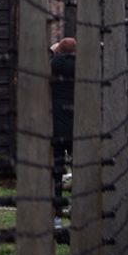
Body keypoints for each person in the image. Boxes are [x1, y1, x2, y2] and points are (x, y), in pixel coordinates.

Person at [49, 37, 76, 205]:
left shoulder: (55, 64)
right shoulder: (79, 66)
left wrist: (53, 51)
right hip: (75, 124)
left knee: (57, 167)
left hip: (57, 124)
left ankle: (57, 204)